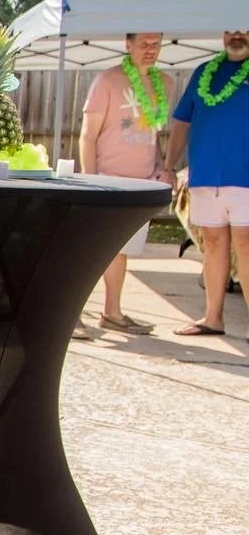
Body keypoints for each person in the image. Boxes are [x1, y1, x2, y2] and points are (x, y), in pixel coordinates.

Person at [78, 33, 175, 336]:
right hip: (107, 181)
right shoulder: (108, 81)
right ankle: (73, 315)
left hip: (141, 184)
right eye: (144, 44)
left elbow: (154, 136)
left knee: (122, 251)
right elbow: (88, 135)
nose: (150, 50)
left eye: (156, 44)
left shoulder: (165, 84)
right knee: (91, 251)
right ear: (128, 45)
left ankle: (112, 312)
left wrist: (160, 167)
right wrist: (90, 181)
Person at [167, 29, 249, 338]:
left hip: (245, 178)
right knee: (213, 245)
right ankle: (213, 318)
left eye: (245, 28)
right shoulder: (204, 71)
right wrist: (168, 165)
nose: (237, 35)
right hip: (205, 175)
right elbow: (182, 121)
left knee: (246, 245)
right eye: (231, 29)